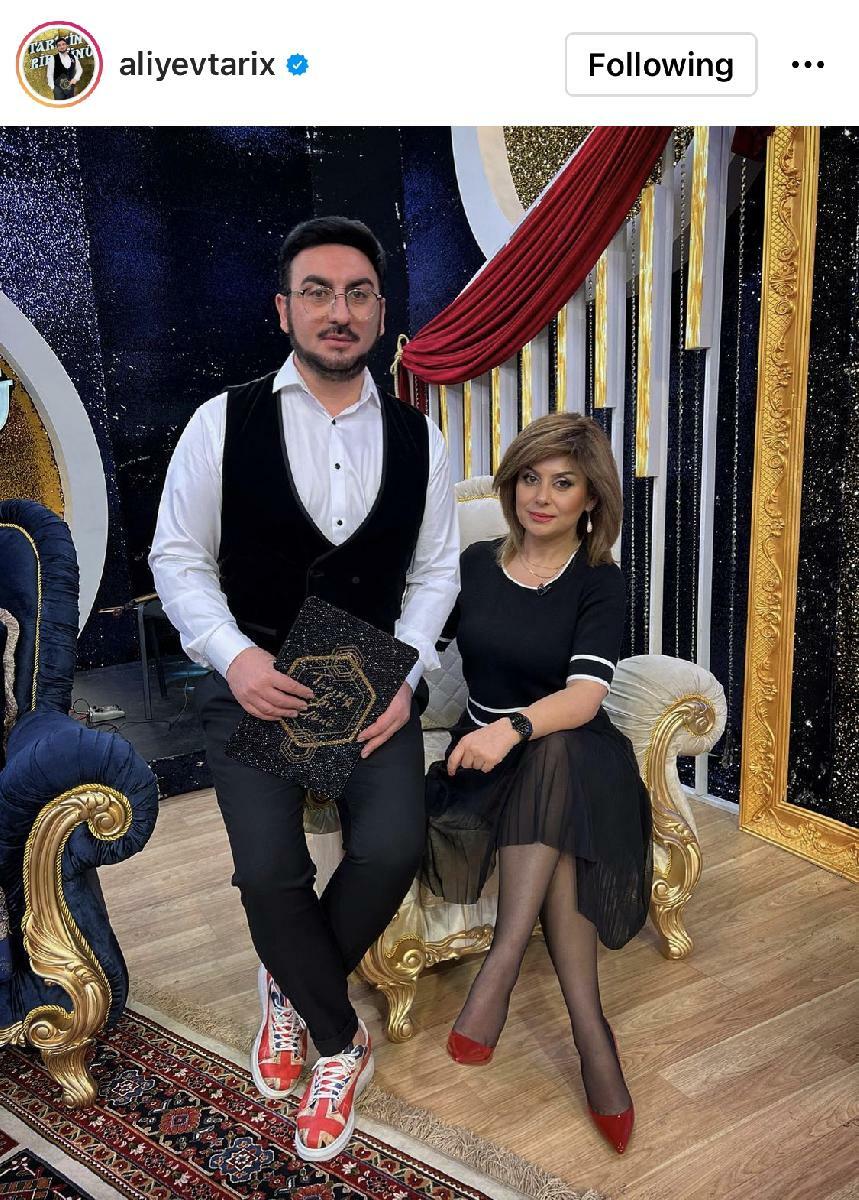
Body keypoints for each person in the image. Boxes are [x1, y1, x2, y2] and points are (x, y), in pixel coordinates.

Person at [149, 216, 459, 1162]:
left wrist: (405, 673)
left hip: (369, 683)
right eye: (316, 292)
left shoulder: (419, 435)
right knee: (267, 873)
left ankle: (287, 978)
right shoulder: (220, 421)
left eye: (357, 293)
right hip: (252, 675)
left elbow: (434, 572)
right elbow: (178, 558)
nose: (338, 310)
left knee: (394, 845)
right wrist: (234, 657)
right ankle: (340, 1041)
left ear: (380, 312)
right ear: (283, 309)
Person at [421, 412, 652, 1156]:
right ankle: (591, 1033)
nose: (541, 497)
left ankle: (505, 961)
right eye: (529, 478)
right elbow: (418, 645)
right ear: (511, 483)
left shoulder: (599, 581)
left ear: (590, 499)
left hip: (568, 749)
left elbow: (583, 699)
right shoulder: (474, 565)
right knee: (559, 813)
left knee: (559, 759)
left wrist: (511, 729)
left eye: (563, 483)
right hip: (486, 762)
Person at [46, 35, 82, 100]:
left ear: (66, 45)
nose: (62, 47)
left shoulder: (73, 57)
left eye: (63, 44)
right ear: (57, 47)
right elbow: (49, 74)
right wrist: (53, 87)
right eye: (59, 45)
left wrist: (75, 78)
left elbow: (79, 69)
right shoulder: (53, 58)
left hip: (70, 88)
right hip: (58, 89)